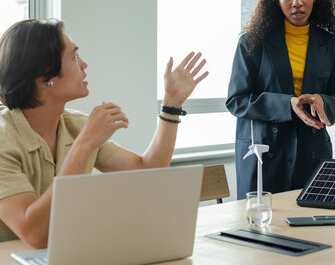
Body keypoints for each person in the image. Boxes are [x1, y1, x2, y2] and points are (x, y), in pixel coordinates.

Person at [0, 19, 208, 248]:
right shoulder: (4, 138)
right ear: (45, 76)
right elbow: (35, 234)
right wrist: (85, 144)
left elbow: (147, 170)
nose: (84, 64)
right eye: (74, 57)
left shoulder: (74, 124)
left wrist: (172, 103)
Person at [226, 0, 335, 199]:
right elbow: (236, 100)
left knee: (314, 227)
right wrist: (287, 104)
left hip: (313, 154)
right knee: (260, 229)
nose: (297, 3)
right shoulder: (252, 43)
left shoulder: (331, 45)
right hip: (265, 152)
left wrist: (324, 102)